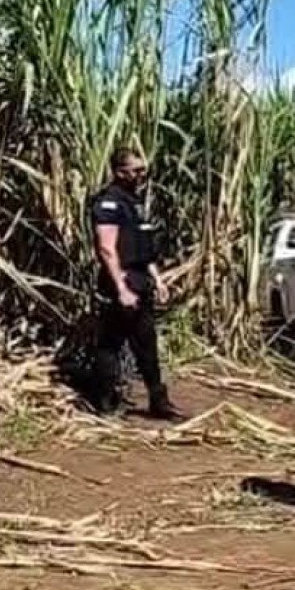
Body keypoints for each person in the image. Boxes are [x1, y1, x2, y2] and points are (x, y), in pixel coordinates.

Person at [88, 147, 179, 419]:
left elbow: (142, 248)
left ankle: (156, 401)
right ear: (119, 172)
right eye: (136, 170)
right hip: (122, 282)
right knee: (113, 344)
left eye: (143, 169)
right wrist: (121, 288)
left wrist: (158, 280)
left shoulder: (134, 203)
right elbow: (107, 249)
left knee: (143, 343)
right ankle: (106, 402)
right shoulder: (109, 203)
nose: (142, 175)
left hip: (140, 280)